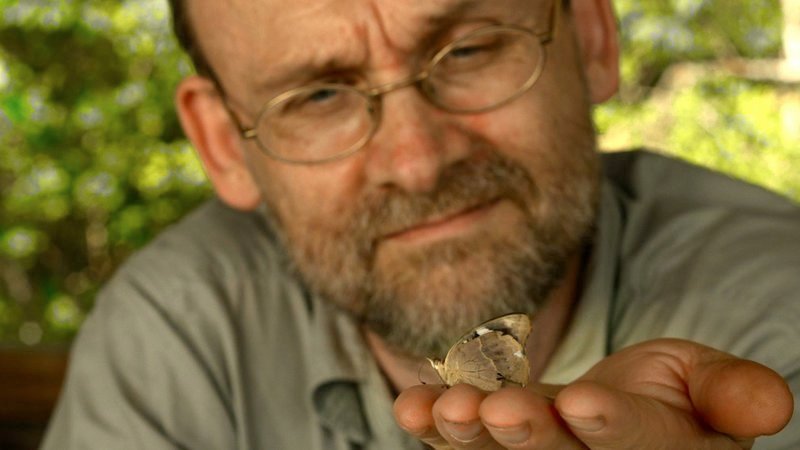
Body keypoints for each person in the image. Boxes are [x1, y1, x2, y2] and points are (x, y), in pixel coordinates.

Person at [42, 0, 798, 448]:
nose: (418, 161)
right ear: (220, 145)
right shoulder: (173, 331)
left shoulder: (778, 302)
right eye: (317, 97)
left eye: (467, 50)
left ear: (594, 38)